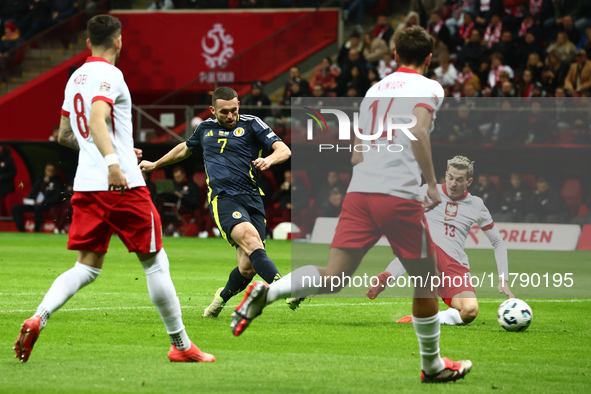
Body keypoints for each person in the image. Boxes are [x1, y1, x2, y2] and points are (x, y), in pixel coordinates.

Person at [231, 26, 473, 383]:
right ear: (428, 58)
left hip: (360, 192)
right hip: (400, 195)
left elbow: (358, 149)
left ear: (393, 54)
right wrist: (433, 185)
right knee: (425, 282)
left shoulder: (375, 90)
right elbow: (419, 131)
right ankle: (433, 366)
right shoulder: (429, 86)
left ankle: (269, 291)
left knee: (332, 276)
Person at [13, 15, 215, 364]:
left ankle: (38, 316)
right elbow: (96, 119)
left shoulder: (76, 77)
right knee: (155, 263)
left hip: (86, 187)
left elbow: (64, 135)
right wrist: (113, 161)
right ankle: (181, 346)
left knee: (87, 267)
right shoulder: (111, 74)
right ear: (119, 41)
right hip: (120, 184)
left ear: (88, 42)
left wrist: (115, 150)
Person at [139, 86, 291, 318]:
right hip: (224, 199)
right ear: (212, 110)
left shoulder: (253, 124)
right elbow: (184, 149)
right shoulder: (204, 129)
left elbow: (284, 150)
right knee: (252, 241)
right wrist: (155, 164)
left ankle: (221, 298)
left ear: (239, 104)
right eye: (224, 112)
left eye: (233, 110)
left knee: (248, 267)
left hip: (253, 198)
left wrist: (269, 160)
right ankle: (284, 288)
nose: (230, 116)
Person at [367, 156, 513, 326]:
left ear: (469, 181)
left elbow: (498, 243)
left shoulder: (476, 205)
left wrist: (503, 279)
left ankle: (426, 318)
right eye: (450, 177)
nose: (453, 183)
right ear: (445, 174)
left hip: (454, 266)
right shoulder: (426, 192)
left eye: (459, 180)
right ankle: (387, 277)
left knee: (470, 311)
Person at [11, 162, 64, 233]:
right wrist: (29, 200)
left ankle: (37, 230)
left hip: (46, 205)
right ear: (45, 170)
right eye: (49, 170)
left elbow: (56, 198)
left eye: (52, 170)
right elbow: (32, 193)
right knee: (15, 208)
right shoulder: (40, 181)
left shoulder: (57, 183)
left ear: (55, 172)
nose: (50, 172)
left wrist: (43, 202)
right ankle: (21, 230)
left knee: (38, 208)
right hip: (34, 204)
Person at [0, 144, 17, 217]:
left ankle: (6, 219)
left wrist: (1, 177)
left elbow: (13, 172)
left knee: (1, 204)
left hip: (5, 186)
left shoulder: (8, 159)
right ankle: (5, 218)